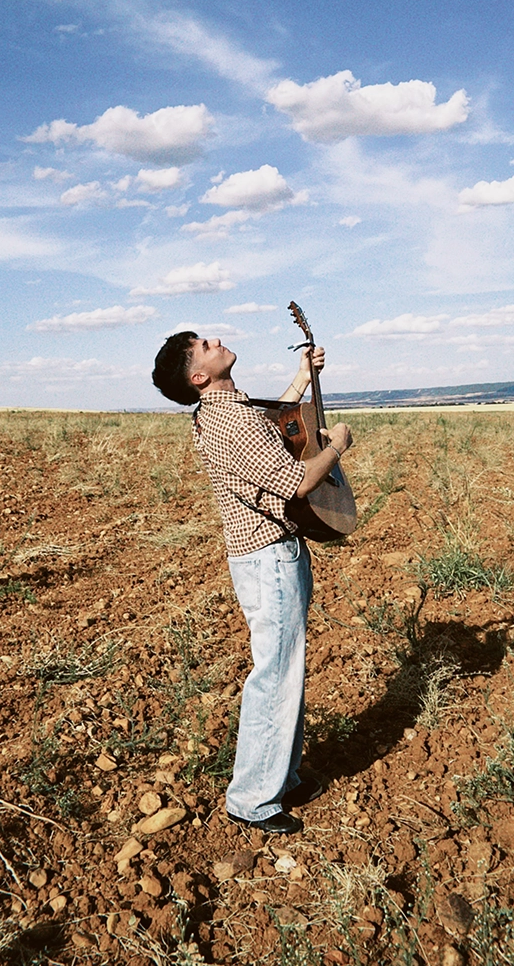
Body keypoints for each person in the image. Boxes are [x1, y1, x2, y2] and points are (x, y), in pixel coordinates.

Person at [151, 330, 353, 835]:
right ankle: (252, 799)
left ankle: (279, 777)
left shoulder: (224, 411)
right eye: (202, 345)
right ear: (199, 376)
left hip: (266, 557)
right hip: (269, 560)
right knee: (275, 676)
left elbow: (266, 431)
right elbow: (297, 482)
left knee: (285, 670)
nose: (214, 339)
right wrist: (338, 448)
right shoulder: (228, 419)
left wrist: (301, 380)